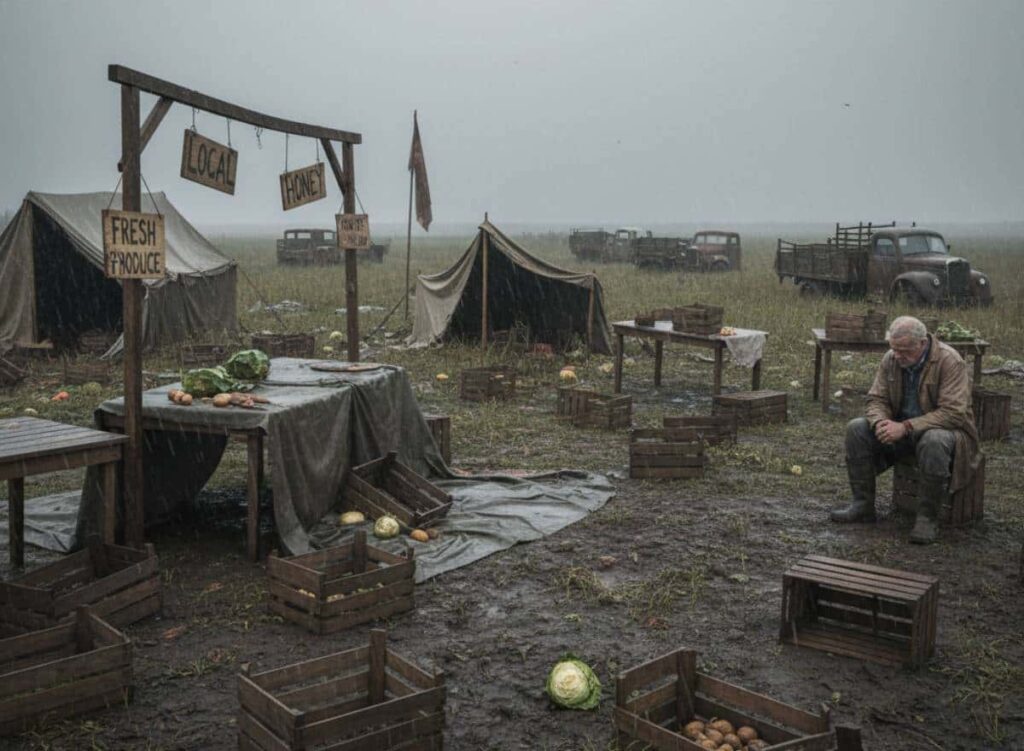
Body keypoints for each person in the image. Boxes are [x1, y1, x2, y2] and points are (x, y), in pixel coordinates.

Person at [830, 315, 981, 543]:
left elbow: (953, 413)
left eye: (904, 351)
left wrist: (906, 426)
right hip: (902, 430)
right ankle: (862, 506)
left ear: (922, 343)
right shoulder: (891, 358)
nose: (898, 355)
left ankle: (927, 518)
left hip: (948, 433)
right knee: (857, 428)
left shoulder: (950, 361)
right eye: (894, 349)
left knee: (934, 440)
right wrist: (881, 422)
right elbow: (876, 399)